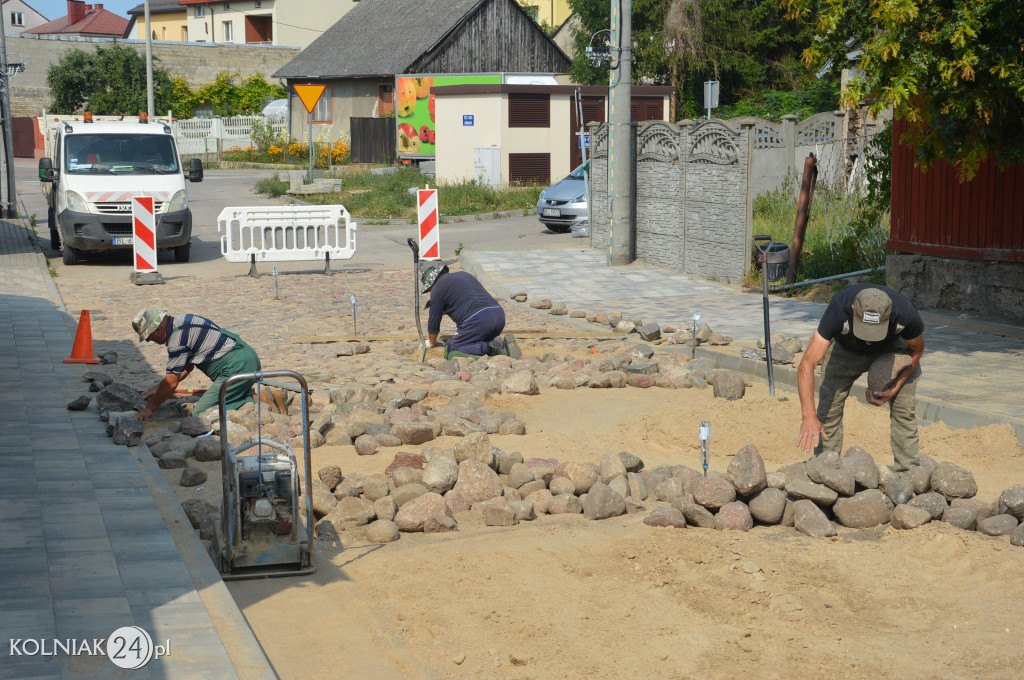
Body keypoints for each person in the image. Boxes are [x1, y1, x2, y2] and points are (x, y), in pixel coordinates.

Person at [796, 284, 925, 473]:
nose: (870, 336)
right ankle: (826, 470)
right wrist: (808, 416)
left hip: (891, 348)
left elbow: (917, 349)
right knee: (828, 412)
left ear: (890, 313)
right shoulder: (839, 308)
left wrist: (895, 387)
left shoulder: (905, 313)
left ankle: (908, 474)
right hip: (845, 350)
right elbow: (807, 364)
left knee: (904, 412)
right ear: (853, 308)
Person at [132, 308, 262, 421]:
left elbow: (171, 383)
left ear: (157, 329)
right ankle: (241, 393)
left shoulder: (177, 340)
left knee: (200, 414)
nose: (148, 340)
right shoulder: (184, 320)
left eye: (148, 336)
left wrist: (149, 409)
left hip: (238, 367)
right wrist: (158, 388)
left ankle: (250, 404)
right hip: (248, 357)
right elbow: (187, 367)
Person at [420, 264, 521, 359]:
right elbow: (467, 300)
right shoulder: (464, 275)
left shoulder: (437, 288)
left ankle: (490, 347)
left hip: (480, 321)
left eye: (429, 290)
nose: (430, 291)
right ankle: (501, 345)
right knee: (478, 340)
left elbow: (433, 323)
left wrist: (431, 343)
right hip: (499, 315)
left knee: (453, 349)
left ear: (431, 284)